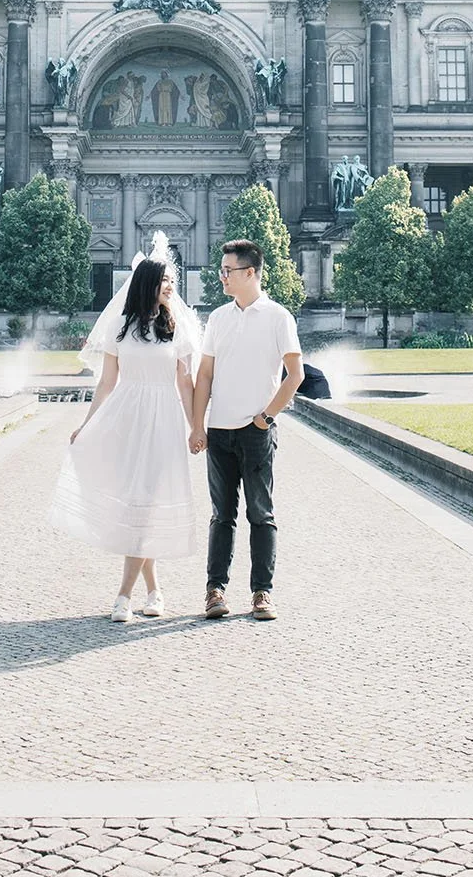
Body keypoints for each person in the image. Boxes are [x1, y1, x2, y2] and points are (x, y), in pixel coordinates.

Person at [50, 239, 201, 622]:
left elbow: (186, 384)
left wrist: (195, 426)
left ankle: (123, 596)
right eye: (165, 280)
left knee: (144, 505)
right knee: (137, 505)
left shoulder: (178, 326)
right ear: (146, 283)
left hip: (163, 419)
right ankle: (153, 591)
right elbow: (106, 383)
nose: (171, 285)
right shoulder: (121, 326)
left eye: (172, 280)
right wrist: (87, 424)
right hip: (128, 416)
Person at [190, 240, 303, 621]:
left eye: (228, 271)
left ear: (250, 273)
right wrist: (197, 424)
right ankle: (215, 590)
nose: (221, 276)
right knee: (221, 515)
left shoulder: (278, 317)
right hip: (219, 430)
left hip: (256, 432)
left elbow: (295, 375)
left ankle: (262, 593)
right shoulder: (219, 318)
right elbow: (204, 375)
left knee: (261, 514)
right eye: (221, 270)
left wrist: (266, 417)